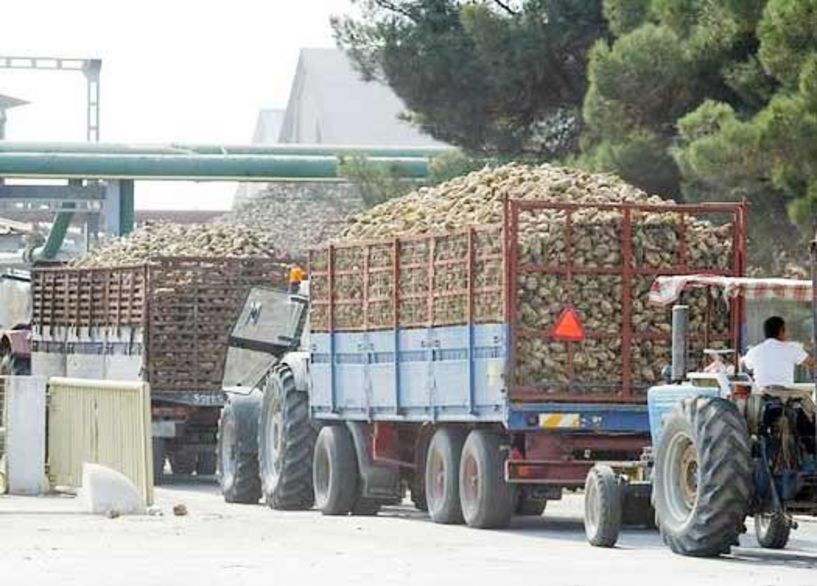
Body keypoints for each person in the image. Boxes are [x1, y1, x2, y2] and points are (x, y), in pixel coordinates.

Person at [742, 316, 813, 389]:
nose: (788, 333)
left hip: (762, 395)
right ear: (781, 331)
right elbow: (811, 363)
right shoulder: (791, 349)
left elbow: (744, 363)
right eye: (786, 330)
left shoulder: (755, 351)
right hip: (785, 395)